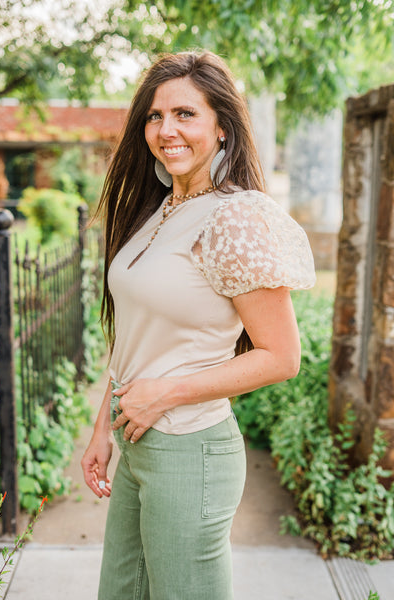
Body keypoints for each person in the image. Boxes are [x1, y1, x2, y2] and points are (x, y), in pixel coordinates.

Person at [81, 50, 315, 600]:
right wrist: (102, 424)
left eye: (186, 114)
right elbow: (137, 334)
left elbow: (281, 357)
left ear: (222, 127)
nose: (167, 130)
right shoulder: (159, 209)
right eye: (156, 116)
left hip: (190, 451)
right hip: (136, 438)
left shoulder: (236, 217)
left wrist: (165, 393)